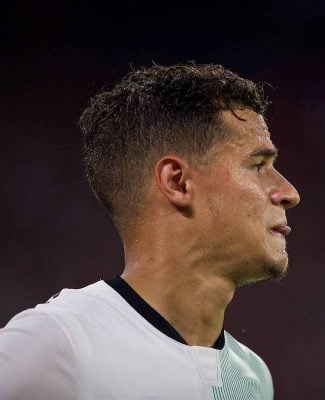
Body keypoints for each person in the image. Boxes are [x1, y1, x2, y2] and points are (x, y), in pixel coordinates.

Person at [0, 63, 300, 399]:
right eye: (258, 165)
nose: (289, 192)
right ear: (177, 182)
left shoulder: (252, 377)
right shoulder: (58, 344)